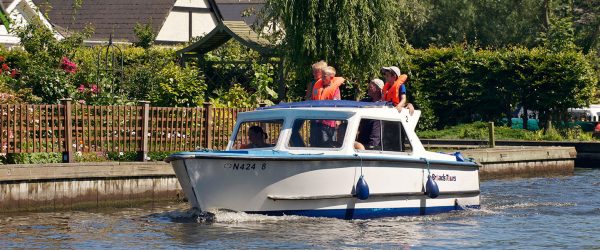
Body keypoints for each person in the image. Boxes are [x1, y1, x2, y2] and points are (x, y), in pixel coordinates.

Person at [310, 66, 346, 147]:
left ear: (331, 77)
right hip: (316, 121)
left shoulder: (335, 90)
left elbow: (337, 105)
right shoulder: (317, 85)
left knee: (327, 145)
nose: (322, 78)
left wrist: (337, 120)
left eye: (324, 76)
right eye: (322, 75)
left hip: (328, 123)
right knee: (314, 144)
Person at [355, 79, 384, 150]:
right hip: (362, 138)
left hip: (374, 142)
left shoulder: (384, 103)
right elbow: (354, 106)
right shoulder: (365, 101)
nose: (368, 88)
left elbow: (397, 104)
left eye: (370, 87)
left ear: (378, 89)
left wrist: (409, 104)